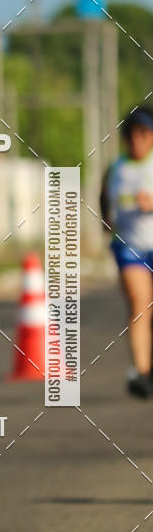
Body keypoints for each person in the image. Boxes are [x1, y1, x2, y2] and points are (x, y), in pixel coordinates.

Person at [101, 106, 153, 399]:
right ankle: (141, 373)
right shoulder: (117, 169)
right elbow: (103, 200)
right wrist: (107, 224)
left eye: (144, 133)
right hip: (129, 247)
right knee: (140, 305)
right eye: (132, 134)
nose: (138, 140)